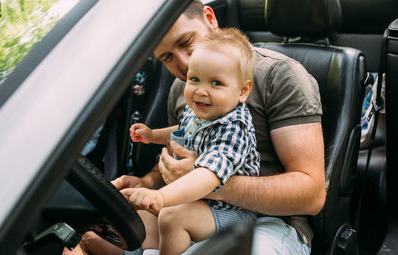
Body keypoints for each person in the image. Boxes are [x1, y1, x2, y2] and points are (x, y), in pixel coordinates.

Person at [64, 1, 326, 255]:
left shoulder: (280, 75)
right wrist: (148, 181)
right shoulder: (183, 87)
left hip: (268, 221)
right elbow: (183, 147)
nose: (184, 64)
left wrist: (208, 182)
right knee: (88, 239)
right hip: (192, 207)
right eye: (167, 57)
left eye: (186, 42)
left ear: (210, 19)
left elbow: (311, 195)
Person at [125, 27, 260, 255]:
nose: (201, 91)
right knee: (141, 217)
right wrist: (152, 135)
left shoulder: (235, 127)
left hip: (232, 212)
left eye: (216, 83)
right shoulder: (198, 111)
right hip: (201, 203)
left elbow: (207, 175)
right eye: (194, 79)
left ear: (242, 91)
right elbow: (183, 130)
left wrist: (161, 196)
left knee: (171, 216)